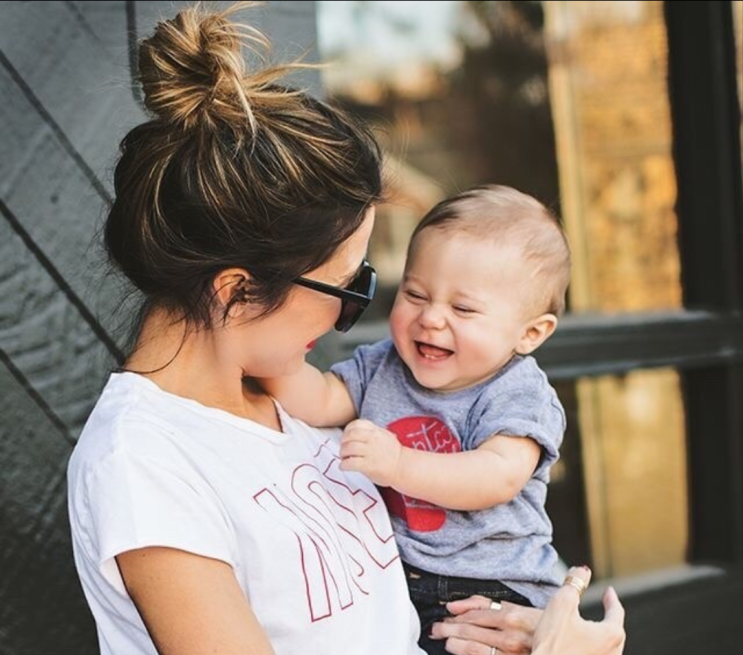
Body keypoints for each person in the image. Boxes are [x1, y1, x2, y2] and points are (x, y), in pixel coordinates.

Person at [65, 3, 624, 654]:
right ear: (236, 291)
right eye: (346, 287)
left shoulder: (291, 397)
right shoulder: (145, 465)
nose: (347, 314)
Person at [262, 185, 570, 654]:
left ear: (530, 333)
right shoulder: (383, 364)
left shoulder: (517, 392)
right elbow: (321, 400)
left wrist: (399, 465)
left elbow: (497, 477)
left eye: (462, 308)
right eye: (415, 294)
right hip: (400, 581)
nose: (431, 318)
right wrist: (270, 355)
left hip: (495, 591)